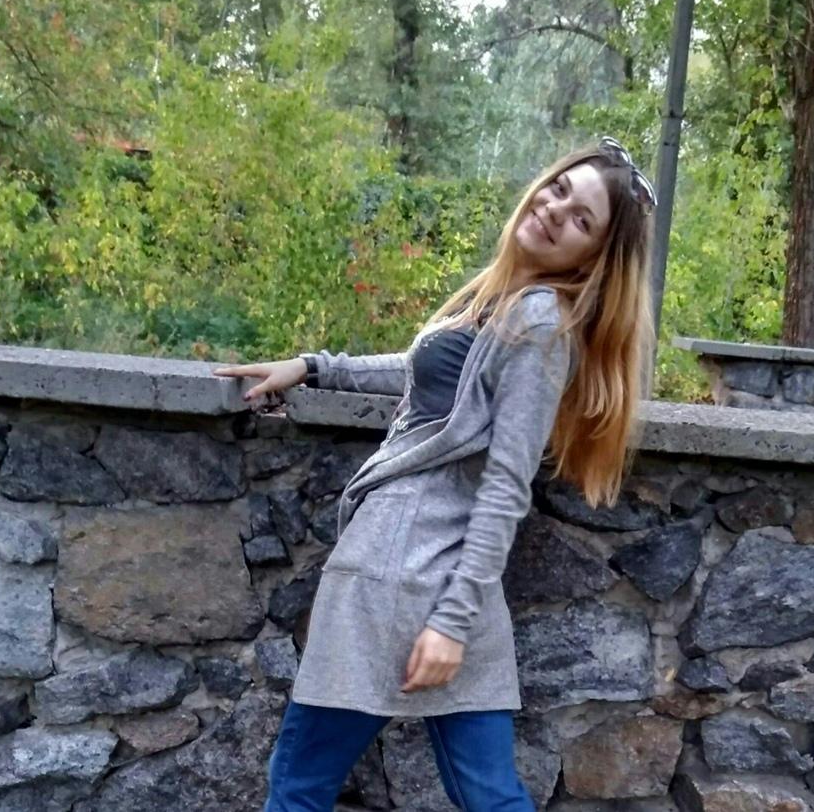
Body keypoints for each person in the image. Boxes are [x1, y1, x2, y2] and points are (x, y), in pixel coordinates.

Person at [212, 136, 656, 811]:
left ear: (595, 257)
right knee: (489, 797)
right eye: (560, 189)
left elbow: (506, 487)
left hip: (397, 576)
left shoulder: (539, 324)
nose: (555, 211)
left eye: (582, 219)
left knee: (299, 786)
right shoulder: (508, 303)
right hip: (440, 579)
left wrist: (450, 623)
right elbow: (429, 374)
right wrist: (313, 367)